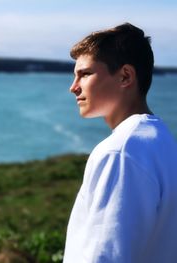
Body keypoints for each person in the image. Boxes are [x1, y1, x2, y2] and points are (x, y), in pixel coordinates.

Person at [63, 23, 177, 263]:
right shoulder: (162, 140)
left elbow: (106, 257)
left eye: (84, 74)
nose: (73, 87)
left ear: (125, 76)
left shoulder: (121, 152)